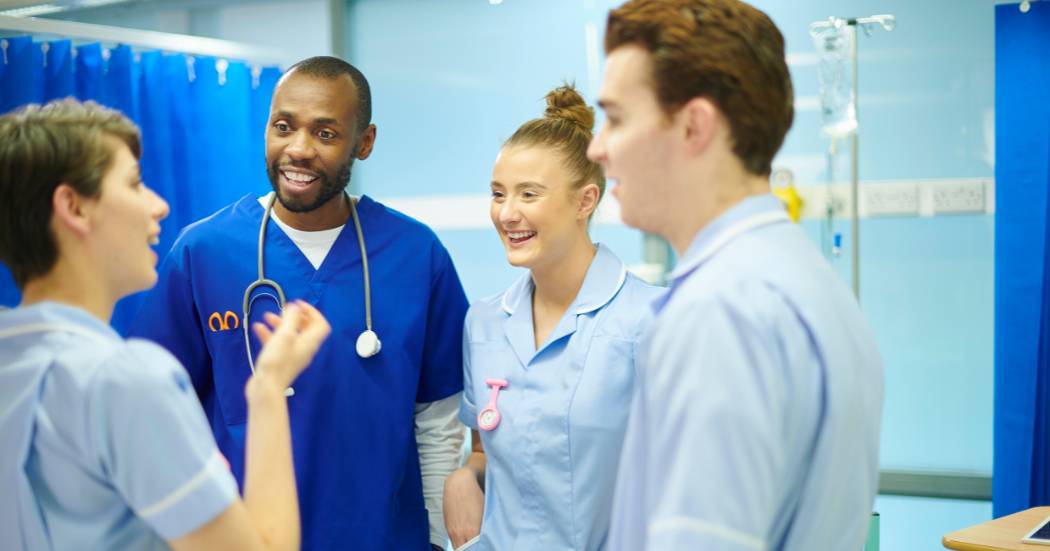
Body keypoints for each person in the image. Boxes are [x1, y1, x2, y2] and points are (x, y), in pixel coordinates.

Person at [129, 56, 468, 550]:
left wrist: (439, 539)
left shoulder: (416, 253)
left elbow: (437, 420)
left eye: (326, 134)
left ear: (364, 142)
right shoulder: (204, 252)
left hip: (383, 537)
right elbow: (155, 413)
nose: (298, 150)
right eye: (283, 127)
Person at [585, 1, 884, 549]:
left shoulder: (719, 310)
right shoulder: (808, 281)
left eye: (617, 118)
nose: (596, 146)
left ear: (695, 125)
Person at [0, 99, 331, 550]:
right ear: (74, 207)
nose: (158, 206)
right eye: (134, 183)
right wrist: (268, 390)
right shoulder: (125, 381)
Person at [442, 85, 663, 551]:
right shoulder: (482, 323)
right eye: (498, 193)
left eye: (529, 194)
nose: (507, 213)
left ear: (585, 201)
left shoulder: (650, 320)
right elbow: (486, 449)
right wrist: (464, 476)